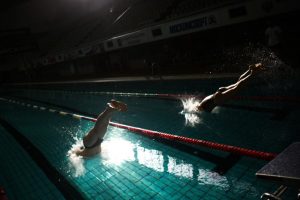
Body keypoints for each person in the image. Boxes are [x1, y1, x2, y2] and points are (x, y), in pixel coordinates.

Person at [197, 63, 266, 112]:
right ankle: (249, 70)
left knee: (237, 87)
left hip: (217, 99)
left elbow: (200, 109)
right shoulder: (201, 103)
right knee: (237, 83)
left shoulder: (202, 107)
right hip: (217, 93)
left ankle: (252, 73)